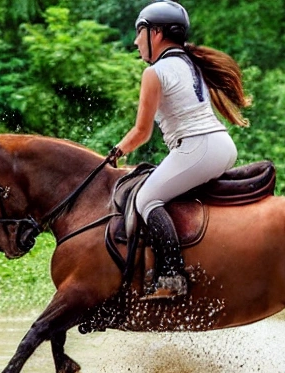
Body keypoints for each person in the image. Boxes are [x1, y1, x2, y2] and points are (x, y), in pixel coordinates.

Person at [108, 0, 251, 300]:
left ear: (156, 33)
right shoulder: (190, 62)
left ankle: (172, 279)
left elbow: (141, 133)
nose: (136, 42)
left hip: (199, 148)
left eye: (140, 32)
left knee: (146, 198)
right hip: (222, 145)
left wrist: (116, 152)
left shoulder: (155, 72)